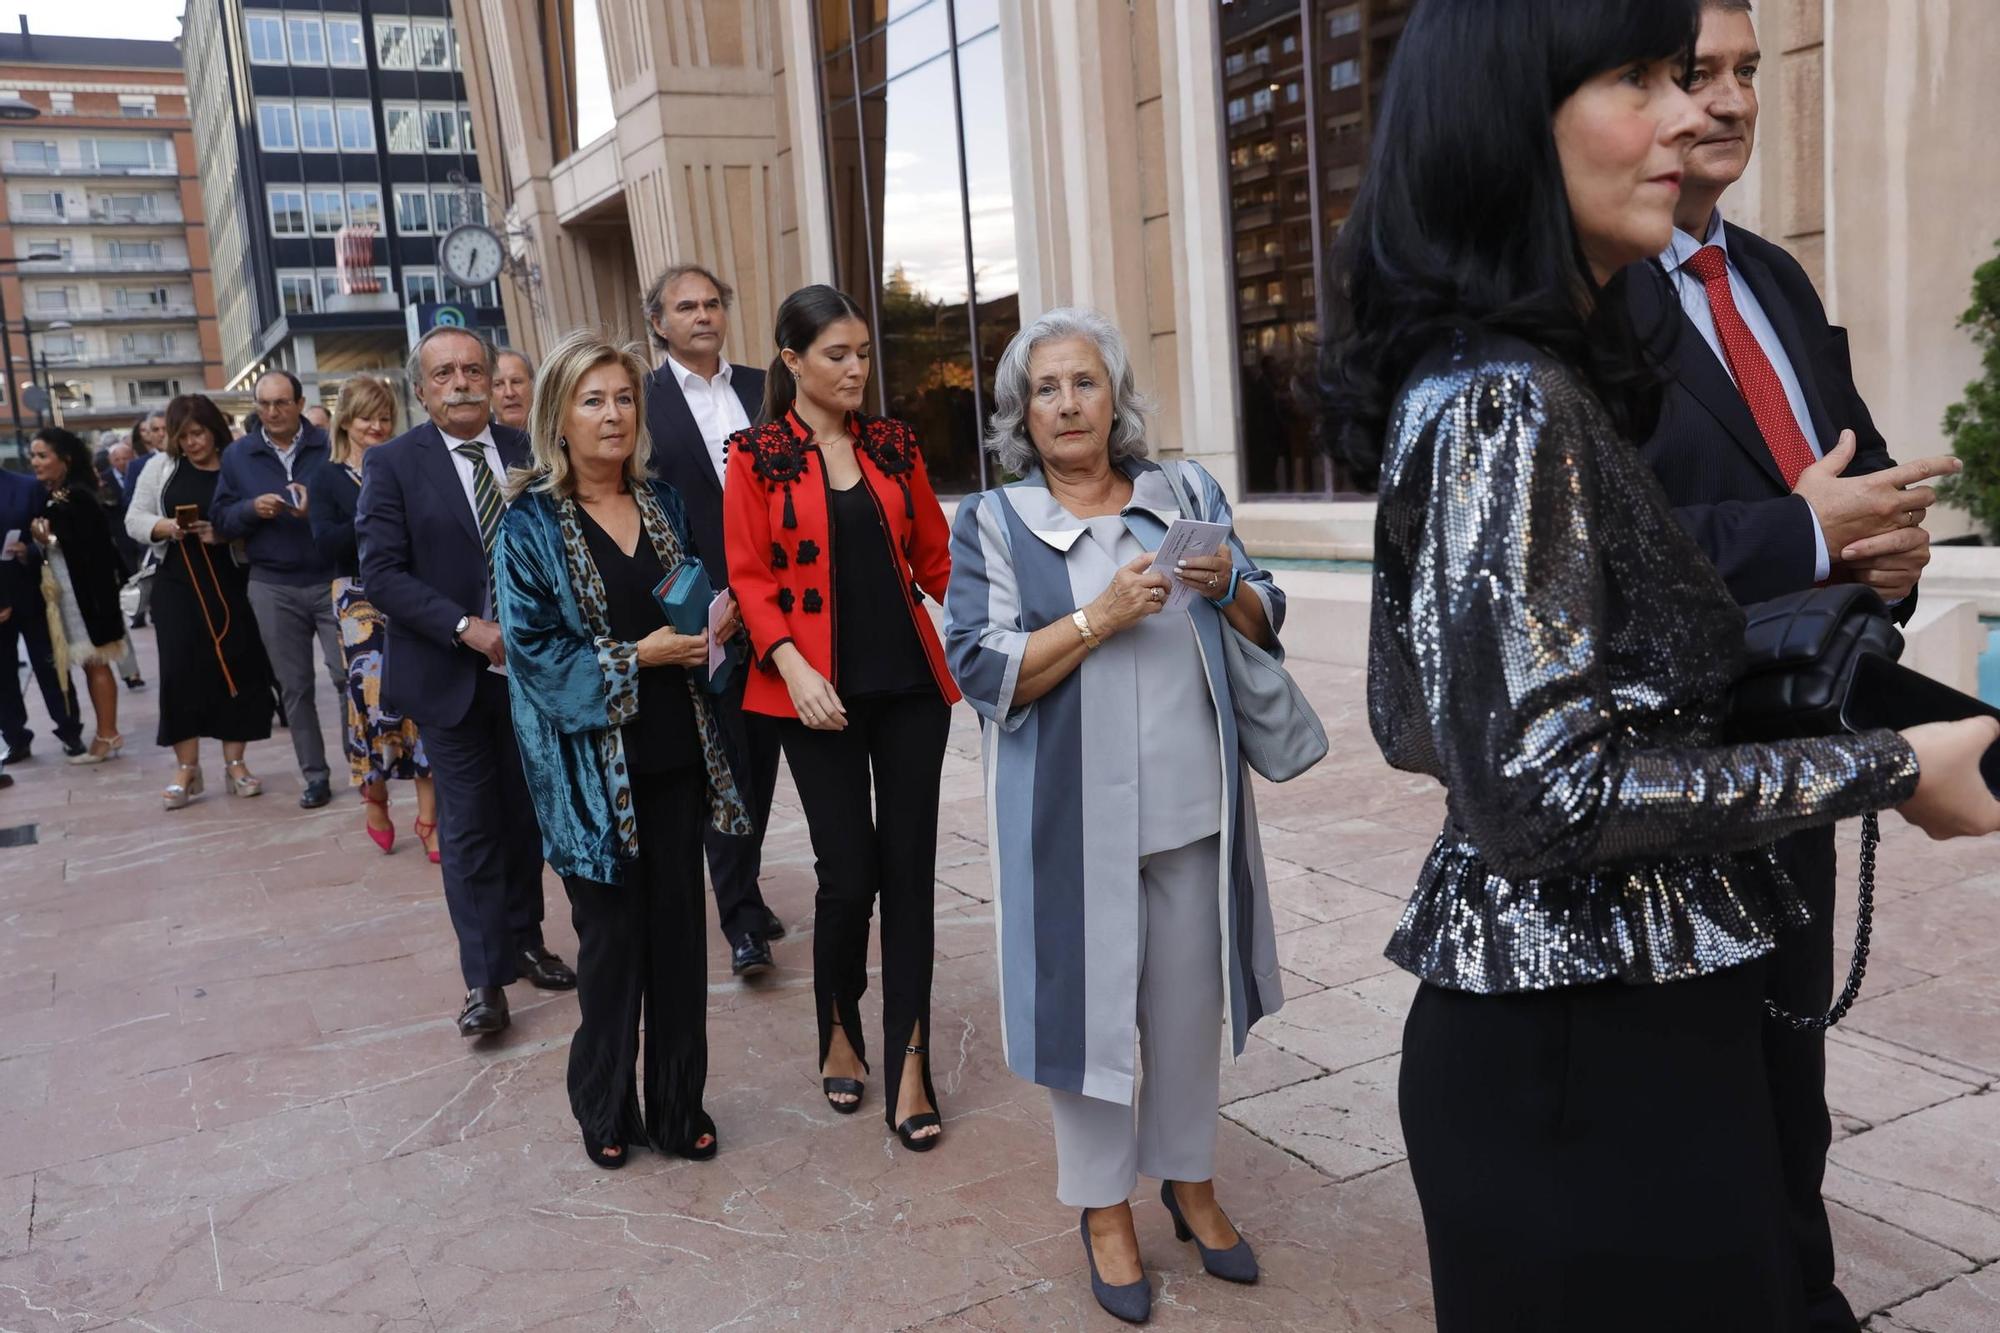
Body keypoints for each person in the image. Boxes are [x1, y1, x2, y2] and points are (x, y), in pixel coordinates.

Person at [1318, 1, 2000, 1328]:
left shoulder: (1505, 380)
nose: (1692, 113)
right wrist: (1893, 763)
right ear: (1515, 124)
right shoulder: (1504, 398)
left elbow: (1426, 718)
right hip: (1584, 1056)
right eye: (1641, 77)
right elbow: (1539, 795)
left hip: (1623, 1023)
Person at [1626, 4, 1961, 1325]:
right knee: (1683, 1119)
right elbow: (1590, 558)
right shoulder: (1576, 304)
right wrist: (1804, 535)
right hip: (1656, 784)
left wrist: (1890, 556)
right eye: (1693, 73)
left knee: (1788, 1087)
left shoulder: (1772, 274)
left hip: (1798, 763)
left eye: (1748, 73)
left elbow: (1856, 476)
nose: (1730, 101)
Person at [944, 308, 1284, 1323]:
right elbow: (977, 664)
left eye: (1082, 382)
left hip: (1190, 807)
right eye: (1043, 388)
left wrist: (1226, 585)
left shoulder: (1183, 491)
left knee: (1184, 1009)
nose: (1064, 404)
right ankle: (1100, 1206)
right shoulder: (994, 522)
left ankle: (1187, 1179)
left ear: (1114, 396)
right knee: (1085, 1018)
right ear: (1019, 412)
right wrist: (1097, 618)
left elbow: (1265, 608)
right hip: (1069, 823)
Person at [495, 330, 752, 1167]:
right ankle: (603, 1104)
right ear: (558, 418)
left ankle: (679, 1108)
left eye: (624, 398)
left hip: (677, 753)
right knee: (611, 950)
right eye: (593, 400)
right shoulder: (528, 523)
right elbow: (535, 658)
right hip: (588, 776)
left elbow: (695, 620)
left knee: (680, 941)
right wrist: (636, 657)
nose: (613, 415)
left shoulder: (664, 501)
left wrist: (718, 629)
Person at [723, 284, 958, 1151]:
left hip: (909, 693)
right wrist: (788, 658)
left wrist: (999, 629)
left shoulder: (894, 446)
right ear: (792, 361)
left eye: (863, 353)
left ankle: (910, 1061)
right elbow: (748, 576)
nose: (857, 368)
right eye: (837, 354)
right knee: (847, 877)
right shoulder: (754, 455)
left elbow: (936, 558)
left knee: (910, 877)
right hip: (809, 697)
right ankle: (838, 1026)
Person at [356, 325, 574, 1039]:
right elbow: (382, 573)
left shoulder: (529, 452)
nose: (462, 383)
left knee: (525, 818)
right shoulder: (393, 464)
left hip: (531, 677)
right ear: (421, 390)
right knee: (473, 827)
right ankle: (485, 979)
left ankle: (527, 939)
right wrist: (466, 628)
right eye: (444, 373)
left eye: (473, 368)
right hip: (450, 676)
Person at [643, 262, 786, 977]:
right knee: (724, 765)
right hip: (706, 614)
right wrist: (705, 603)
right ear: (659, 323)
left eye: (712, 303)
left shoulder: (765, 388)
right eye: (686, 306)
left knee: (763, 763)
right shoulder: (641, 402)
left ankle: (747, 888)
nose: (703, 315)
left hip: (782, 608)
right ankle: (741, 920)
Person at [309, 375, 439, 861]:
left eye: (385, 417)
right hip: (357, 598)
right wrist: (374, 511)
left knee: (425, 698)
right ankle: (376, 795)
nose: (378, 426)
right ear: (346, 418)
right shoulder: (326, 477)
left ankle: (430, 819)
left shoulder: (406, 464)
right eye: (367, 417)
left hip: (413, 588)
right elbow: (326, 543)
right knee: (372, 702)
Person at [125, 395, 274, 810]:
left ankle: (236, 763)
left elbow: (256, 517)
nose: (192, 443)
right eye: (184, 436)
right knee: (179, 671)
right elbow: (133, 519)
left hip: (230, 578)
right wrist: (166, 526)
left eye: (199, 433)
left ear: (214, 430)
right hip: (177, 581)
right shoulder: (160, 468)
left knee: (236, 665)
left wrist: (225, 533)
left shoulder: (237, 463)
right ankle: (186, 769)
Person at [211, 369, 342, 809]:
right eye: (264, 404)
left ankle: (363, 768)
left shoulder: (328, 444)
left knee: (348, 677)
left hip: (330, 577)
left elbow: (358, 506)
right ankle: (315, 776)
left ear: (301, 404)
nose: (272, 412)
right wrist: (251, 508)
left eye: (281, 403)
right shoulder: (239, 455)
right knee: (296, 688)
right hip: (272, 583)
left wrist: (315, 513)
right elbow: (221, 520)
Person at [23, 428, 127, 763]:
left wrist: (47, 540)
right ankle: (104, 733)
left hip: (87, 598)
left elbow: (88, 547)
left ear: (64, 460)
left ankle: (108, 734)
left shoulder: (77, 496)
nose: (35, 462)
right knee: (90, 664)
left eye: (42, 455)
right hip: (72, 595)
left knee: (96, 662)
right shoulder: (60, 493)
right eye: (33, 456)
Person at [0, 461, 83, 763]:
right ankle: (15, 737)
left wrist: (29, 550)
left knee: (51, 663)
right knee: (2, 675)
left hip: (31, 593)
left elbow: (47, 537)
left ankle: (70, 729)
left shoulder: (27, 487)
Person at [492, 349, 534, 431]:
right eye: (498, 384)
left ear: (533, 386)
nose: (509, 393)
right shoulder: (480, 442)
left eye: (516, 382)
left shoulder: (558, 437)